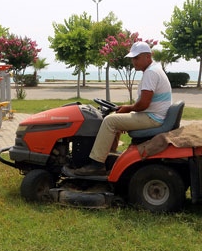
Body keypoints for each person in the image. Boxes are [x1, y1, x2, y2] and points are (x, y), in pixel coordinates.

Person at [73, 41, 172, 176]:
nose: (134, 61)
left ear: (148, 56)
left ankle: (96, 164)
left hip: (153, 117)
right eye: (132, 58)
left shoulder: (151, 73)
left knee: (109, 121)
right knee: (115, 119)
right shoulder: (154, 70)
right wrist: (126, 110)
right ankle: (108, 155)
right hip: (154, 115)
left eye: (137, 58)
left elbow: (143, 104)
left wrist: (128, 109)